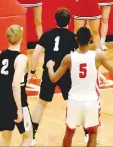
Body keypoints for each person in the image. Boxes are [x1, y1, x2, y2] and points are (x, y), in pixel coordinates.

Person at [46, 27, 113, 147]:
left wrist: (50, 67)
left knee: (69, 133)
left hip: (74, 100)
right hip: (91, 101)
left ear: (76, 39)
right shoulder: (98, 56)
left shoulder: (68, 58)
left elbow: (54, 78)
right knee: (92, 132)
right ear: (91, 39)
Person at [29, 8, 78, 146]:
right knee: (74, 102)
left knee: (41, 104)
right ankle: (87, 133)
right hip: (65, 73)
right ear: (69, 21)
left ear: (55, 20)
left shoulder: (46, 35)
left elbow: (35, 54)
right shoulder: (73, 37)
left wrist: (32, 71)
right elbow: (77, 57)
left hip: (49, 72)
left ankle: (32, 136)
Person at [0, 25, 33, 146]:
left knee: (6, 137)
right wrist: (19, 108)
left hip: (2, 100)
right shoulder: (21, 58)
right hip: (17, 100)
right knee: (28, 136)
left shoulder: (0, 54)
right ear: (21, 38)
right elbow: (15, 84)